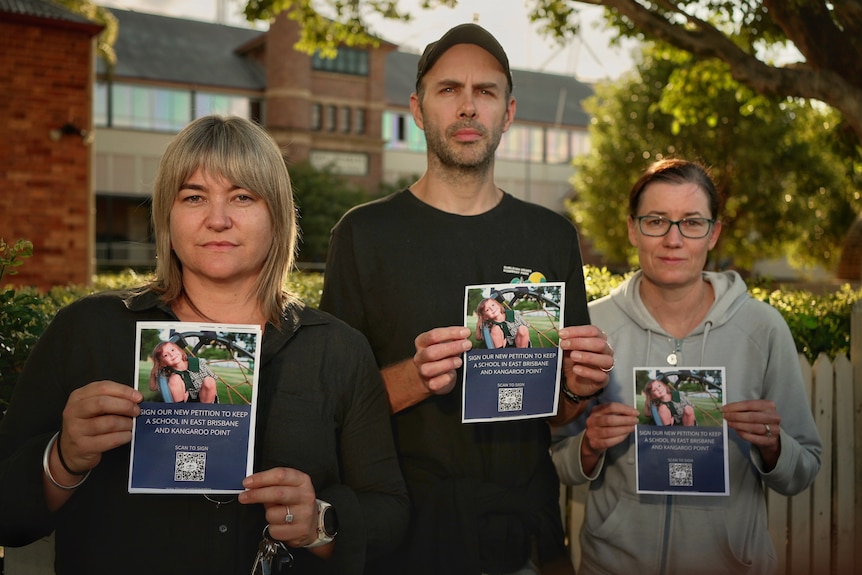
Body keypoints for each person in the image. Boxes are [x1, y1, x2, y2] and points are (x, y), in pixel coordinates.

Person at [0, 115, 409, 575]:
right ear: (167, 216)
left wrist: (320, 522)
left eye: (242, 196)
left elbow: (389, 512)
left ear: (276, 215)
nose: (217, 219)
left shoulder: (337, 350)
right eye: (194, 197)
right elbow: (8, 516)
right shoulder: (88, 331)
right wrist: (63, 459)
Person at [320, 23, 614, 575]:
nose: (467, 107)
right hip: (403, 534)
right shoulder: (363, 234)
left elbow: (557, 414)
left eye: (486, 92)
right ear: (418, 106)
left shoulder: (550, 236)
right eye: (448, 89)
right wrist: (416, 376)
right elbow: (330, 410)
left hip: (521, 534)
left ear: (508, 112)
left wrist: (578, 385)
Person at [550, 158, 822, 575]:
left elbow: (802, 471)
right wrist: (587, 447)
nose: (673, 239)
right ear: (631, 229)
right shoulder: (589, 328)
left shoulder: (762, 328)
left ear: (713, 233)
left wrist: (773, 445)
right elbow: (550, 456)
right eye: (656, 220)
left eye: (692, 222)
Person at [148, 340, 218, 403]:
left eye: (173, 350)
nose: (172, 355)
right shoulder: (167, 372)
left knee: (209, 380)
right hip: (186, 401)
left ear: (179, 351)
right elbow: (153, 387)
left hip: (205, 399)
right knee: (174, 378)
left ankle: (206, 411)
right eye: (166, 355)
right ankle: (180, 410)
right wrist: (153, 373)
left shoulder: (198, 362)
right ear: (163, 363)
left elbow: (212, 384)